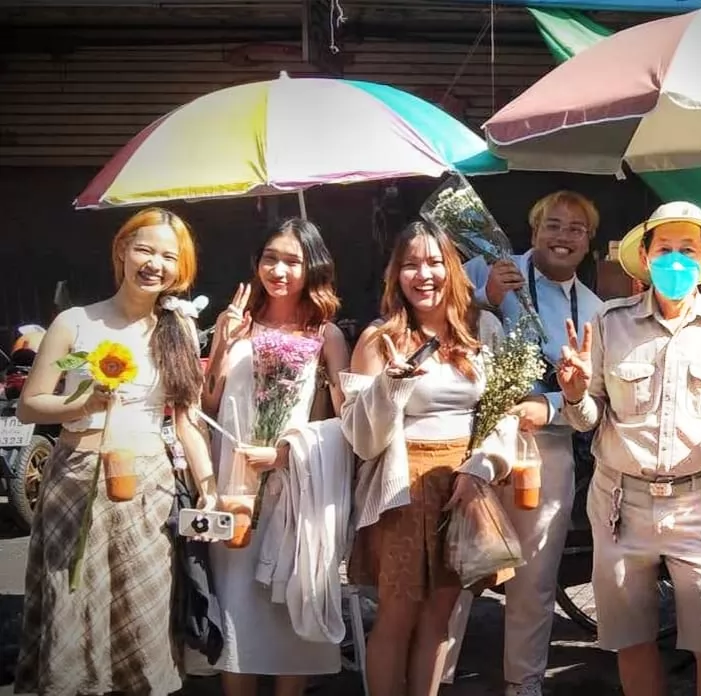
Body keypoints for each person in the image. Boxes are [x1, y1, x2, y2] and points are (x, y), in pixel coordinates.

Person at [555, 201, 701, 696]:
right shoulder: (610, 322)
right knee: (632, 642)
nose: (676, 260)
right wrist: (574, 394)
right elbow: (588, 419)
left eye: (687, 250)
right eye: (665, 249)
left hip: (699, 507)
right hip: (619, 505)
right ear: (646, 257)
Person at [15, 207, 217, 695]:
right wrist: (83, 403)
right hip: (76, 483)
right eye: (144, 250)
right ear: (122, 250)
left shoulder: (178, 330)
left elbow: (187, 420)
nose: (154, 264)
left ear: (181, 268)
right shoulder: (74, 322)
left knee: (142, 614)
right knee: (74, 606)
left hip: (147, 490)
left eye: (168, 256)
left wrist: (209, 486)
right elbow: (29, 405)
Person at [447, 191, 604, 696]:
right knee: (460, 566)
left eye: (576, 229)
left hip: (546, 449)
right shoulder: (488, 268)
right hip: (472, 440)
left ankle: (524, 682)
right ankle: (435, 676)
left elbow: (596, 393)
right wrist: (485, 296)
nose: (563, 236)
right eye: (552, 225)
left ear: (588, 242)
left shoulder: (595, 311)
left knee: (534, 577)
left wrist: (552, 405)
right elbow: (434, 321)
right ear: (533, 231)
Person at [340, 221, 504, 696]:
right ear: (396, 274)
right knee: (397, 616)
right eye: (411, 264)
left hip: (463, 482)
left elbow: (502, 410)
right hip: (401, 487)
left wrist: (482, 467)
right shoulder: (379, 338)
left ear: (453, 269)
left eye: (434, 262)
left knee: (441, 616)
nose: (423, 274)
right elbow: (361, 439)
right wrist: (388, 388)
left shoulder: (483, 328)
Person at [199, 218, 350, 695]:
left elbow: (347, 420)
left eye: (291, 261)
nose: (278, 270)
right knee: (235, 604)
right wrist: (222, 343)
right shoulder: (237, 324)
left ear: (312, 267)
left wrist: (286, 453)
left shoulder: (326, 335)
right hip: (234, 485)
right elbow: (207, 404)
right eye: (270, 258)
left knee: (288, 604)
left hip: (295, 486)